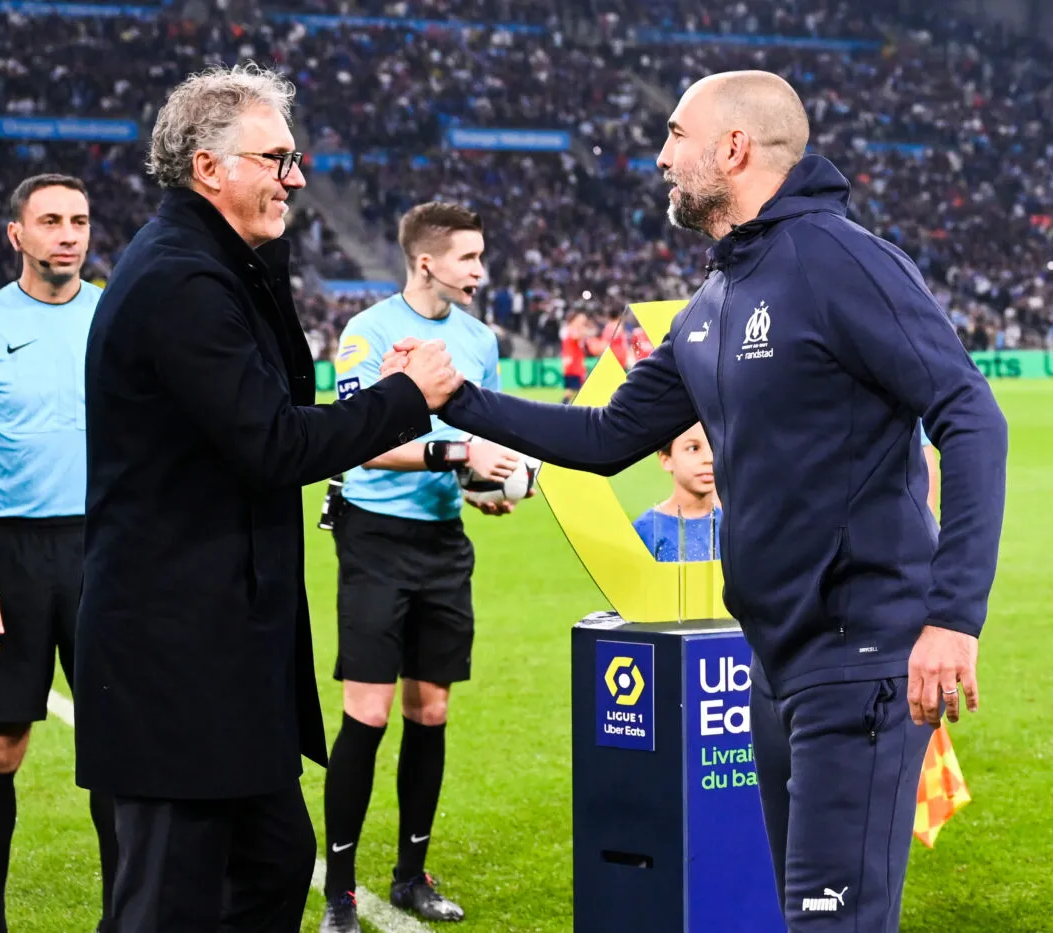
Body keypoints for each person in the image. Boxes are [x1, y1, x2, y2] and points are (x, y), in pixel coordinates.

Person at [384, 70, 1007, 932]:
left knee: (834, 922)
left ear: (735, 148)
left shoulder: (840, 260)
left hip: (862, 655)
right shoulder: (713, 299)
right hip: (775, 663)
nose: (660, 155)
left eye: (676, 135)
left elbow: (972, 415)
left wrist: (953, 615)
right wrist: (458, 400)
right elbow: (604, 438)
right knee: (810, 919)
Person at [75, 63, 463, 933]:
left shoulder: (213, 262)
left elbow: (282, 393)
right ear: (210, 167)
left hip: (220, 649)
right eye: (277, 158)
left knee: (274, 859)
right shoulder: (180, 279)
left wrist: (271, 244)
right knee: (168, 899)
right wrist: (405, 398)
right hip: (175, 655)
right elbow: (274, 443)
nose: (296, 176)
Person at [319, 202, 521, 932]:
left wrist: (483, 491)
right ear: (427, 260)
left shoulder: (479, 340)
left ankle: (409, 876)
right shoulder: (366, 333)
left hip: (442, 541)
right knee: (366, 715)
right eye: (469, 257)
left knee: (429, 711)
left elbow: (480, 435)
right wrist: (455, 455)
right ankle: (339, 891)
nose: (479, 270)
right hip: (374, 539)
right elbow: (357, 441)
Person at [0, 174, 116, 933]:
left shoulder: (119, 312)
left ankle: (126, 914)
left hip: (108, 549)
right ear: (18, 234)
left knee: (119, 747)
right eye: (50, 221)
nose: (67, 234)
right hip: (12, 554)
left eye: (77, 220)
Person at [632, 422, 722, 563]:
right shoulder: (648, 530)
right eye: (694, 448)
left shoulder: (734, 525)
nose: (709, 458)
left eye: (714, 445)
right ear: (666, 460)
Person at [561, 311, 588, 403]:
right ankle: (565, 404)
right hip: (572, 362)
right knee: (575, 386)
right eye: (579, 320)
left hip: (575, 361)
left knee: (573, 387)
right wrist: (583, 330)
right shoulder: (570, 329)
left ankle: (565, 404)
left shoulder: (571, 329)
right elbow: (575, 337)